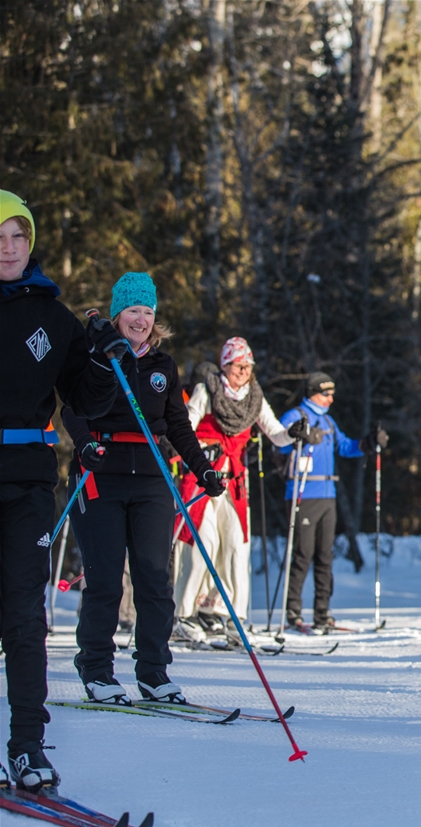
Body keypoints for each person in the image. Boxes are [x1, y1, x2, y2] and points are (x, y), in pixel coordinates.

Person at [0, 190, 120, 791]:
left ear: (31, 244)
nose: (8, 246)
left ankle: (26, 745)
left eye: (18, 235)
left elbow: (88, 398)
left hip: (25, 484)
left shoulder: (52, 315)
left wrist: (103, 359)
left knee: (24, 616)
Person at [62, 271, 225, 708]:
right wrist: (85, 445)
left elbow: (178, 427)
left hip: (152, 477)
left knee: (155, 579)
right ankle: (96, 668)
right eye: (133, 310)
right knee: (106, 580)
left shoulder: (162, 366)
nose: (140, 320)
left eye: (148, 312)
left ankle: (153, 672)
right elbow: (72, 407)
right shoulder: (95, 355)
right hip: (101, 474)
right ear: (117, 315)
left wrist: (203, 469)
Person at [172, 337, 302, 643]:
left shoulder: (253, 396)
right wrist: (202, 451)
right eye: (238, 365)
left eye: (248, 366)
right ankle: (185, 613)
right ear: (225, 365)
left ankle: (229, 613)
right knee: (200, 543)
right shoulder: (208, 389)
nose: (243, 371)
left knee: (235, 547)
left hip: (233, 482)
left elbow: (275, 433)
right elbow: (185, 426)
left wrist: (292, 435)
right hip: (204, 475)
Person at [278, 372, 386, 632]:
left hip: (328, 493)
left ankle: (322, 612)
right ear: (313, 392)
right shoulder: (295, 416)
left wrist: (368, 443)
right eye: (326, 393)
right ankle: (293, 612)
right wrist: (300, 437)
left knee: (325, 555)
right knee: (303, 554)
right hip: (303, 492)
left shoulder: (327, 420)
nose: (331, 398)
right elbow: (279, 444)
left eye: (332, 393)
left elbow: (345, 446)